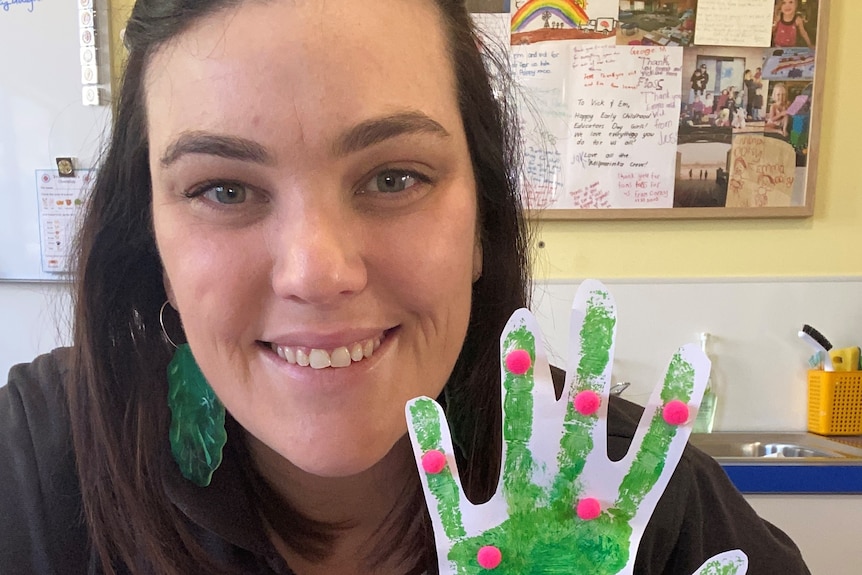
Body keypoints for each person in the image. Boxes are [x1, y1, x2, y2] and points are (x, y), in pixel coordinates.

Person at [0, 1, 812, 574]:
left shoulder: (632, 495)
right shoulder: (31, 466)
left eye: (394, 176)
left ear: (481, 226)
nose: (317, 272)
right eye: (225, 190)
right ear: (151, 242)